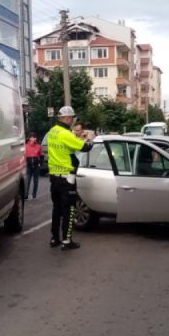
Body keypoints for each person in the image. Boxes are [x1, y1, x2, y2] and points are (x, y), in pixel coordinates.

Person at [46, 106, 94, 250]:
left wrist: (77, 138)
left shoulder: (52, 132)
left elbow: (67, 148)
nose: (73, 121)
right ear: (66, 118)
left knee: (56, 209)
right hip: (67, 178)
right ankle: (67, 240)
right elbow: (86, 148)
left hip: (54, 177)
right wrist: (90, 139)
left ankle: (55, 238)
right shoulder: (66, 134)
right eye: (72, 118)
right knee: (69, 210)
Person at [24, 133, 43, 199]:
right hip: (28, 165)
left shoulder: (38, 146)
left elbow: (41, 155)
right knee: (28, 180)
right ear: (29, 138)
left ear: (36, 139)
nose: (33, 139)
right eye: (31, 137)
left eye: (34, 137)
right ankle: (26, 194)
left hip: (36, 165)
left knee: (36, 180)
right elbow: (24, 156)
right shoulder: (26, 146)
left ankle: (34, 194)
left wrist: (40, 163)